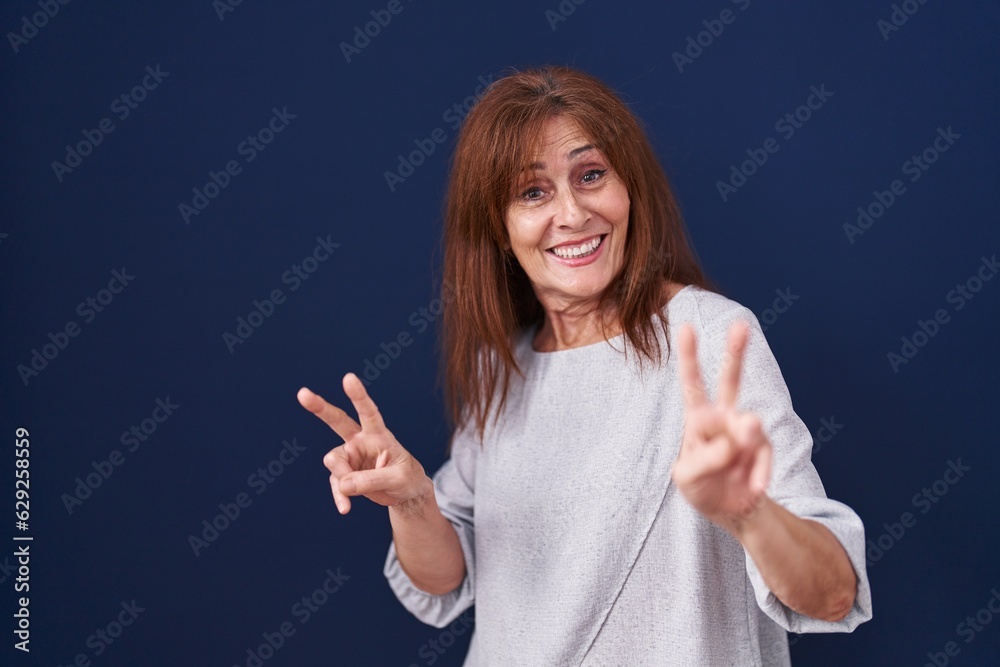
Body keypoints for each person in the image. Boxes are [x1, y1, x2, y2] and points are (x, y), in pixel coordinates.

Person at [296, 65, 873, 665]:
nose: (572, 214)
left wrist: (751, 515)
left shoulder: (708, 336)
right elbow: (446, 579)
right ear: (499, 226)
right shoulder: (503, 369)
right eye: (533, 191)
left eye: (591, 174)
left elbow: (833, 595)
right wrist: (413, 502)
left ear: (629, 189)